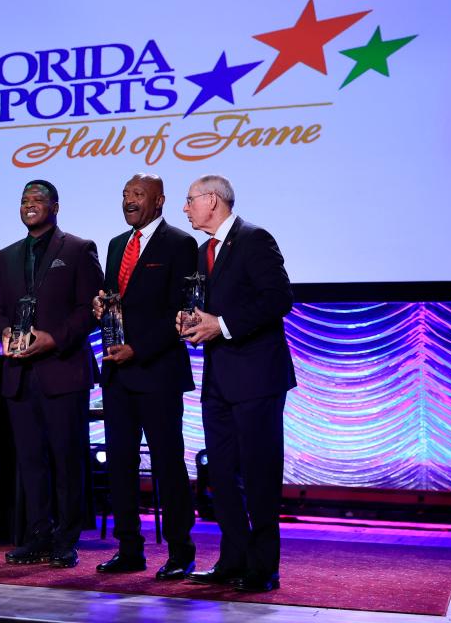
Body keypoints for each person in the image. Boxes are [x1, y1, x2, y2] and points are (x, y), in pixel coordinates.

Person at [180, 174, 295, 593]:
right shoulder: (200, 252)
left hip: (258, 377)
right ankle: (233, 559)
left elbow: (278, 298)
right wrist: (189, 320)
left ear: (212, 200)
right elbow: (204, 309)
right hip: (219, 381)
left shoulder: (254, 238)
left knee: (260, 473)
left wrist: (223, 326)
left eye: (190, 199)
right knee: (222, 474)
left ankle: (264, 567)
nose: (185, 208)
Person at [0, 180, 103, 569]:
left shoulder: (77, 249)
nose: (30, 205)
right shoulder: (5, 256)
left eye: (38, 200)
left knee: (67, 458)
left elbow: (91, 309)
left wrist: (54, 339)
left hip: (63, 369)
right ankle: (37, 534)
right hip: (19, 374)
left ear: (55, 206)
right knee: (31, 460)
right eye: (24, 200)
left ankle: (66, 539)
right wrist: (3, 331)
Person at [93, 173, 198, 580]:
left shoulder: (180, 244)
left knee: (167, 464)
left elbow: (181, 310)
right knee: (119, 464)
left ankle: (180, 550)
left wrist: (139, 347)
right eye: (124, 195)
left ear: (159, 201)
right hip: (118, 374)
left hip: (158, 371)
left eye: (138, 194)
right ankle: (129, 549)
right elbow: (112, 300)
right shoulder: (117, 244)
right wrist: (99, 308)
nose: (129, 201)